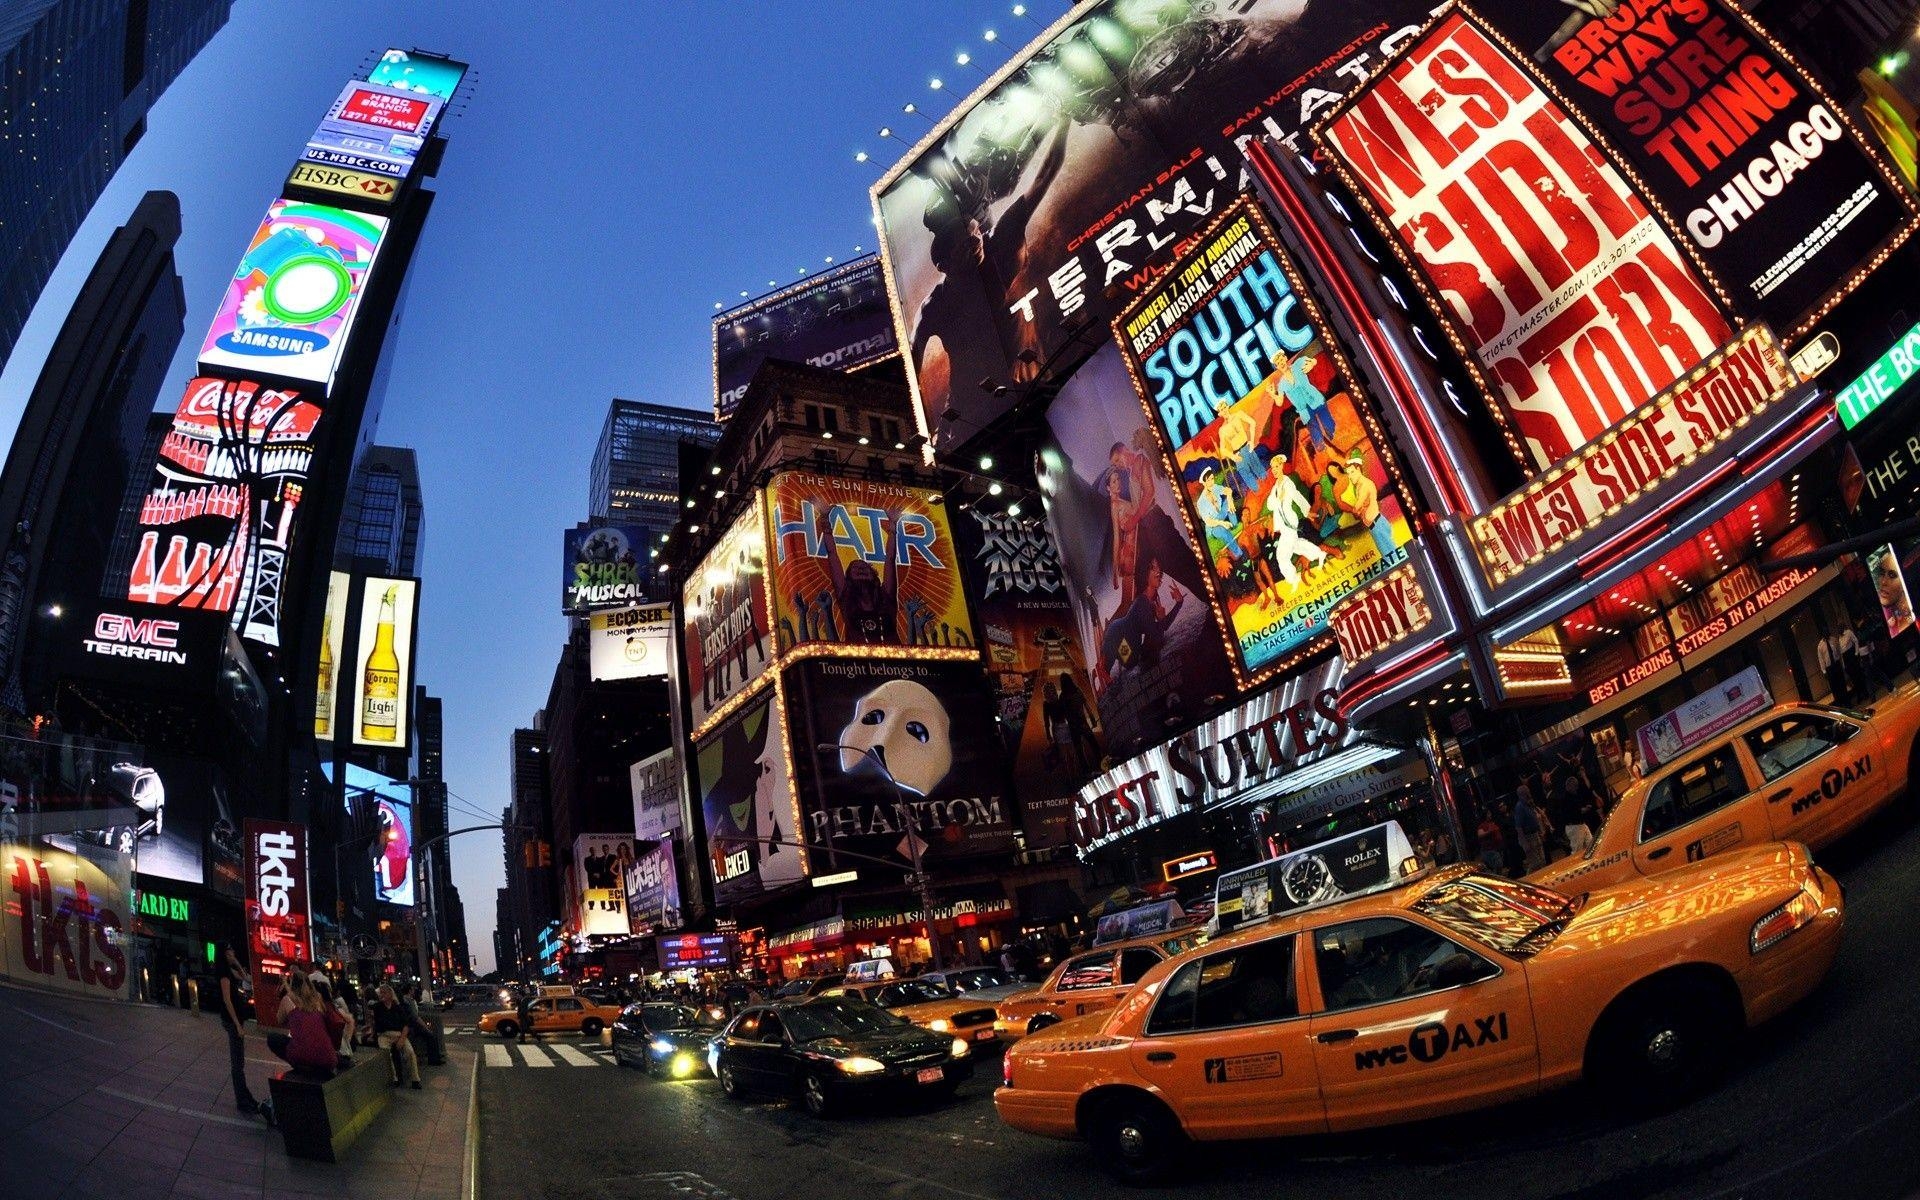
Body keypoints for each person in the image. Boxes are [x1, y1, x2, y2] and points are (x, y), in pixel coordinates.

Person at [214, 944, 267, 1121]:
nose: (233, 952)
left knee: (239, 1063)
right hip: (231, 1021)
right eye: (230, 951)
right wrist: (237, 1024)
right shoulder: (223, 973)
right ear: (224, 953)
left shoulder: (229, 970)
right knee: (237, 1064)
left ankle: (245, 1097)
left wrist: (235, 961)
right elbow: (227, 1000)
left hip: (235, 1020)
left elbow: (247, 979)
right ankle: (243, 1100)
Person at [268, 973, 345, 1079]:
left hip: (304, 1055)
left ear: (292, 985)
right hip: (328, 1058)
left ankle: (301, 1067)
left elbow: (279, 1020)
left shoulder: (287, 1000)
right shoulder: (317, 999)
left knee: (273, 1038)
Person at [372, 985, 421, 1089]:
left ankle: (415, 1079)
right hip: (384, 1035)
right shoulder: (377, 1007)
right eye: (381, 993)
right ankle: (394, 1079)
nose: (382, 995)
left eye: (384, 993)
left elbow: (405, 1025)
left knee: (410, 1052)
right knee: (385, 1054)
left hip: (399, 1035)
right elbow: (376, 1024)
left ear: (390, 994)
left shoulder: (397, 1007)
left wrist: (402, 1039)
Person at [1512, 788, 1546, 875]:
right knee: (1535, 863)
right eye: (1527, 792)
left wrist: (1539, 832)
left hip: (1534, 834)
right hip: (1528, 837)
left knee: (1542, 860)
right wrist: (1525, 843)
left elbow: (1534, 819)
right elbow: (1519, 827)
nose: (1529, 794)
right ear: (1523, 794)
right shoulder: (1520, 807)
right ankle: (1528, 879)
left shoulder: (1528, 804)